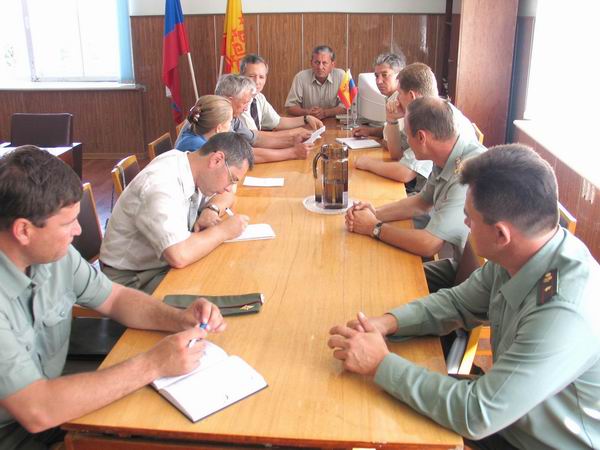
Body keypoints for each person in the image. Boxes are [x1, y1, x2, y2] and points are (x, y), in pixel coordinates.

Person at [329, 144, 600, 450]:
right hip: (508, 416)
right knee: (360, 403)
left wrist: (380, 363)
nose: (466, 223)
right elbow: (457, 302)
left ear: (501, 234)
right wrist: (388, 323)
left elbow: (476, 414)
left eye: (469, 217)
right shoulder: (522, 252)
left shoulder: (563, 313)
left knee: (373, 421)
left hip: (526, 440)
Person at [0, 146, 226, 450]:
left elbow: (115, 298)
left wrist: (177, 318)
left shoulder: (54, 256)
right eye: (67, 224)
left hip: (58, 408)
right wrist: (154, 364)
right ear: (23, 231)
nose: (78, 231)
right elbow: (37, 409)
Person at [345, 97, 486, 292]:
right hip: (459, 266)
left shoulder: (466, 172)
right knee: (378, 275)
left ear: (421, 137)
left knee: (382, 286)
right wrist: (374, 212)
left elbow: (429, 245)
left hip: (476, 288)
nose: (407, 144)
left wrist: (374, 228)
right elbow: (421, 202)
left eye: (407, 136)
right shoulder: (446, 154)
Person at [100, 132, 254, 294]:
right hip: (131, 280)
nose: (229, 187)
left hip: (159, 266)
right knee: (218, 289)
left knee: (225, 273)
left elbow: (228, 195)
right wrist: (224, 231)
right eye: (232, 179)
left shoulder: (191, 163)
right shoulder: (160, 184)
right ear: (216, 160)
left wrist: (211, 209)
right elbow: (179, 255)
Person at [355, 62, 476, 192]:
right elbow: (396, 154)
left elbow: (405, 173)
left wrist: (367, 163)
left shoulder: (432, 118)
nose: (397, 100)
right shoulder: (426, 112)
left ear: (412, 96)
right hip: (427, 193)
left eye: (399, 94)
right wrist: (392, 120)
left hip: (430, 196)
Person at [216, 74, 314, 163]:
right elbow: (243, 155)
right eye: (244, 103)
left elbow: (257, 138)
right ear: (229, 100)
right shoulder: (219, 120)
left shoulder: (233, 118)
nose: (246, 108)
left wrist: (293, 140)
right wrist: (293, 152)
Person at [239, 54, 323, 133]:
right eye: (251, 76)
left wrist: (306, 119)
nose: (257, 82)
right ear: (241, 76)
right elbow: (255, 137)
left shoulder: (259, 97)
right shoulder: (239, 100)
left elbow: (278, 122)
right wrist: (293, 135)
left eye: (261, 77)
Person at [351, 52, 406, 140]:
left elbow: (394, 141)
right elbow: (391, 130)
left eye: (384, 75)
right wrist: (370, 131)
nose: (378, 81)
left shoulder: (401, 99)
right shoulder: (391, 97)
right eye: (377, 76)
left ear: (399, 75)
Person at [285, 45, 346, 119]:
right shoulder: (300, 77)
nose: (320, 67)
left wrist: (325, 113)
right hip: (308, 122)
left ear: (332, 65)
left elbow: (347, 107)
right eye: (317, 62)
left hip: (334, 123)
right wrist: (307, 112)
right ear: (311, 63)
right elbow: (290, 107)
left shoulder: (342, 76)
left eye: (324, 63)